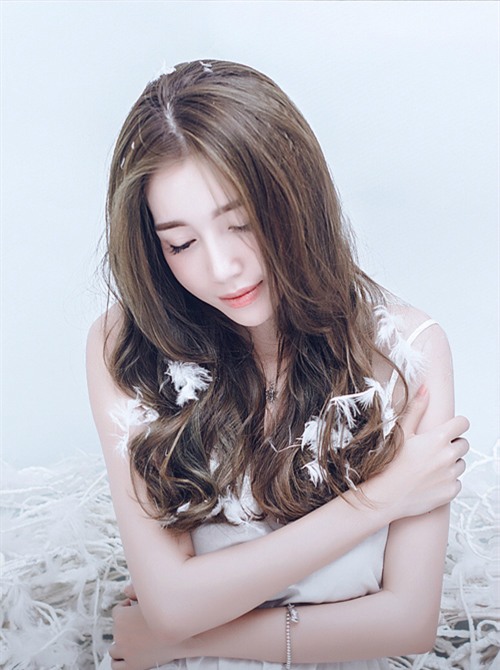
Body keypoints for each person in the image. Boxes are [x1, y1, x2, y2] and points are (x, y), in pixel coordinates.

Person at [86, 60, 469, 670]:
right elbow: (173, 605)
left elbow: (407, 622)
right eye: (181, 243)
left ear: (297, 199)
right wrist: (383, 498)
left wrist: (181, 641)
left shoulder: (406, 353)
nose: (222, 268)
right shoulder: (127, 346)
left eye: (241, 223)